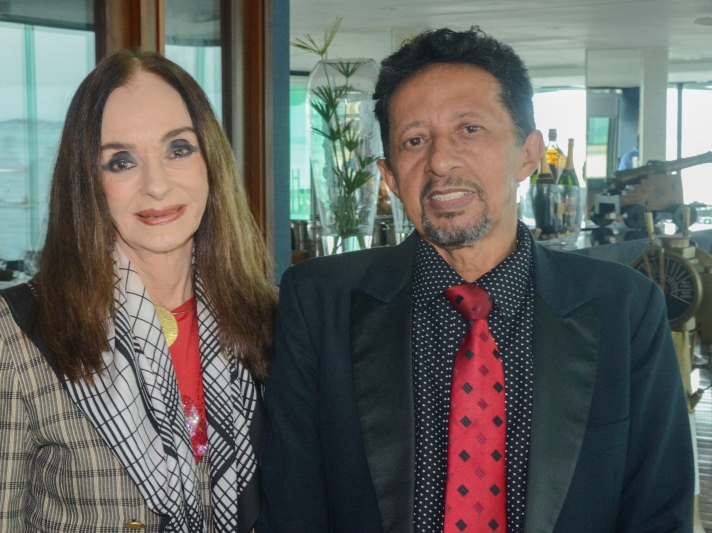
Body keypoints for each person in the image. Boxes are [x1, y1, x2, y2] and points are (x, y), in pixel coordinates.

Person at [259, 27, 693, 532]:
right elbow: (293, 504)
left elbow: (658, 507)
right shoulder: (319, 301)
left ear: (527, 154)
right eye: (414, 140)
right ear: (390, 176)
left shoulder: (624, 307)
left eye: (470, 129)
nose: (440, 161)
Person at [0, 48, 276, 532]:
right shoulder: (11, 334)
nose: (157, 185)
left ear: (211, 161)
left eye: (178, 149)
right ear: (86, 181)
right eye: (121, 161)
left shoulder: (273, 318)